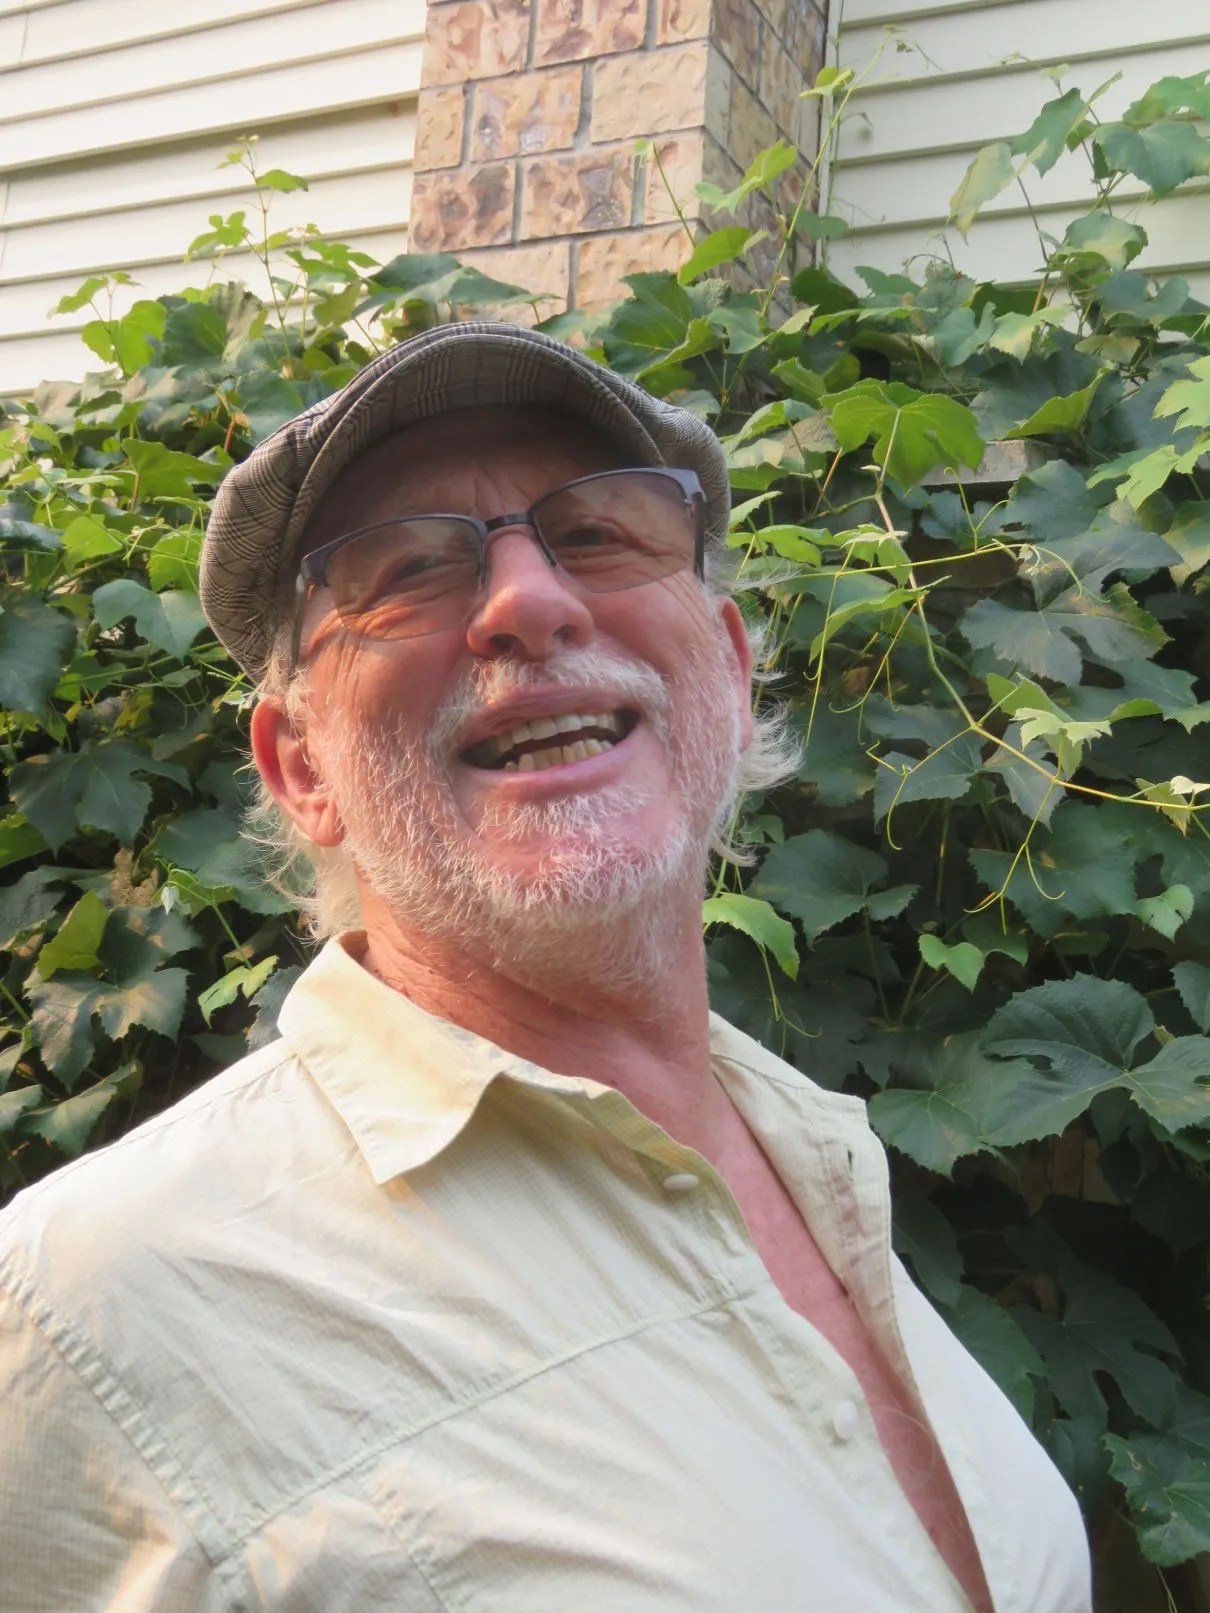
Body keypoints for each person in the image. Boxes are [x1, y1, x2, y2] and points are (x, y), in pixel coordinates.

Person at [0, 322, 1091, 1612]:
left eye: (597, 535)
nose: (528, 601)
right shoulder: (90, 1303)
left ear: (732, 672)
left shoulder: (809, 1150)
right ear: (302, 768)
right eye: (408, 569)